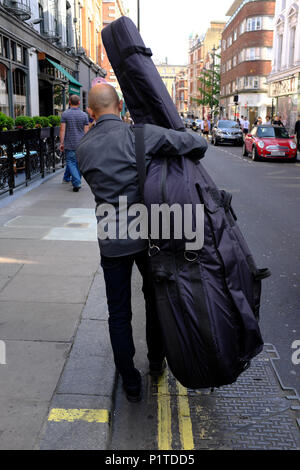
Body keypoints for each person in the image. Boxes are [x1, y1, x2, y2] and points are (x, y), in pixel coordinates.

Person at [76, 84, 208, 402]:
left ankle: (130, 382)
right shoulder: (140, 135)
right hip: (148, 234)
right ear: (120, 105)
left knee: (118, 313)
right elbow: (196, 143)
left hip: (111, 238)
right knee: (155, 300)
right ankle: (155, 362)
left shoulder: (83, 147)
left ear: (90, 111)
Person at [60, 95, 89, 192]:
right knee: (78, 163)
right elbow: (86, 131)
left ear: (69, 102)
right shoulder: (84, 115)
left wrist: (61, 142)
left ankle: (76, 182)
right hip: (81, 143)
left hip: (70, 143)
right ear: (79, 103)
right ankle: (77, 181)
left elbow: (62, 130)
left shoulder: (65, 114)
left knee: (71, 163)